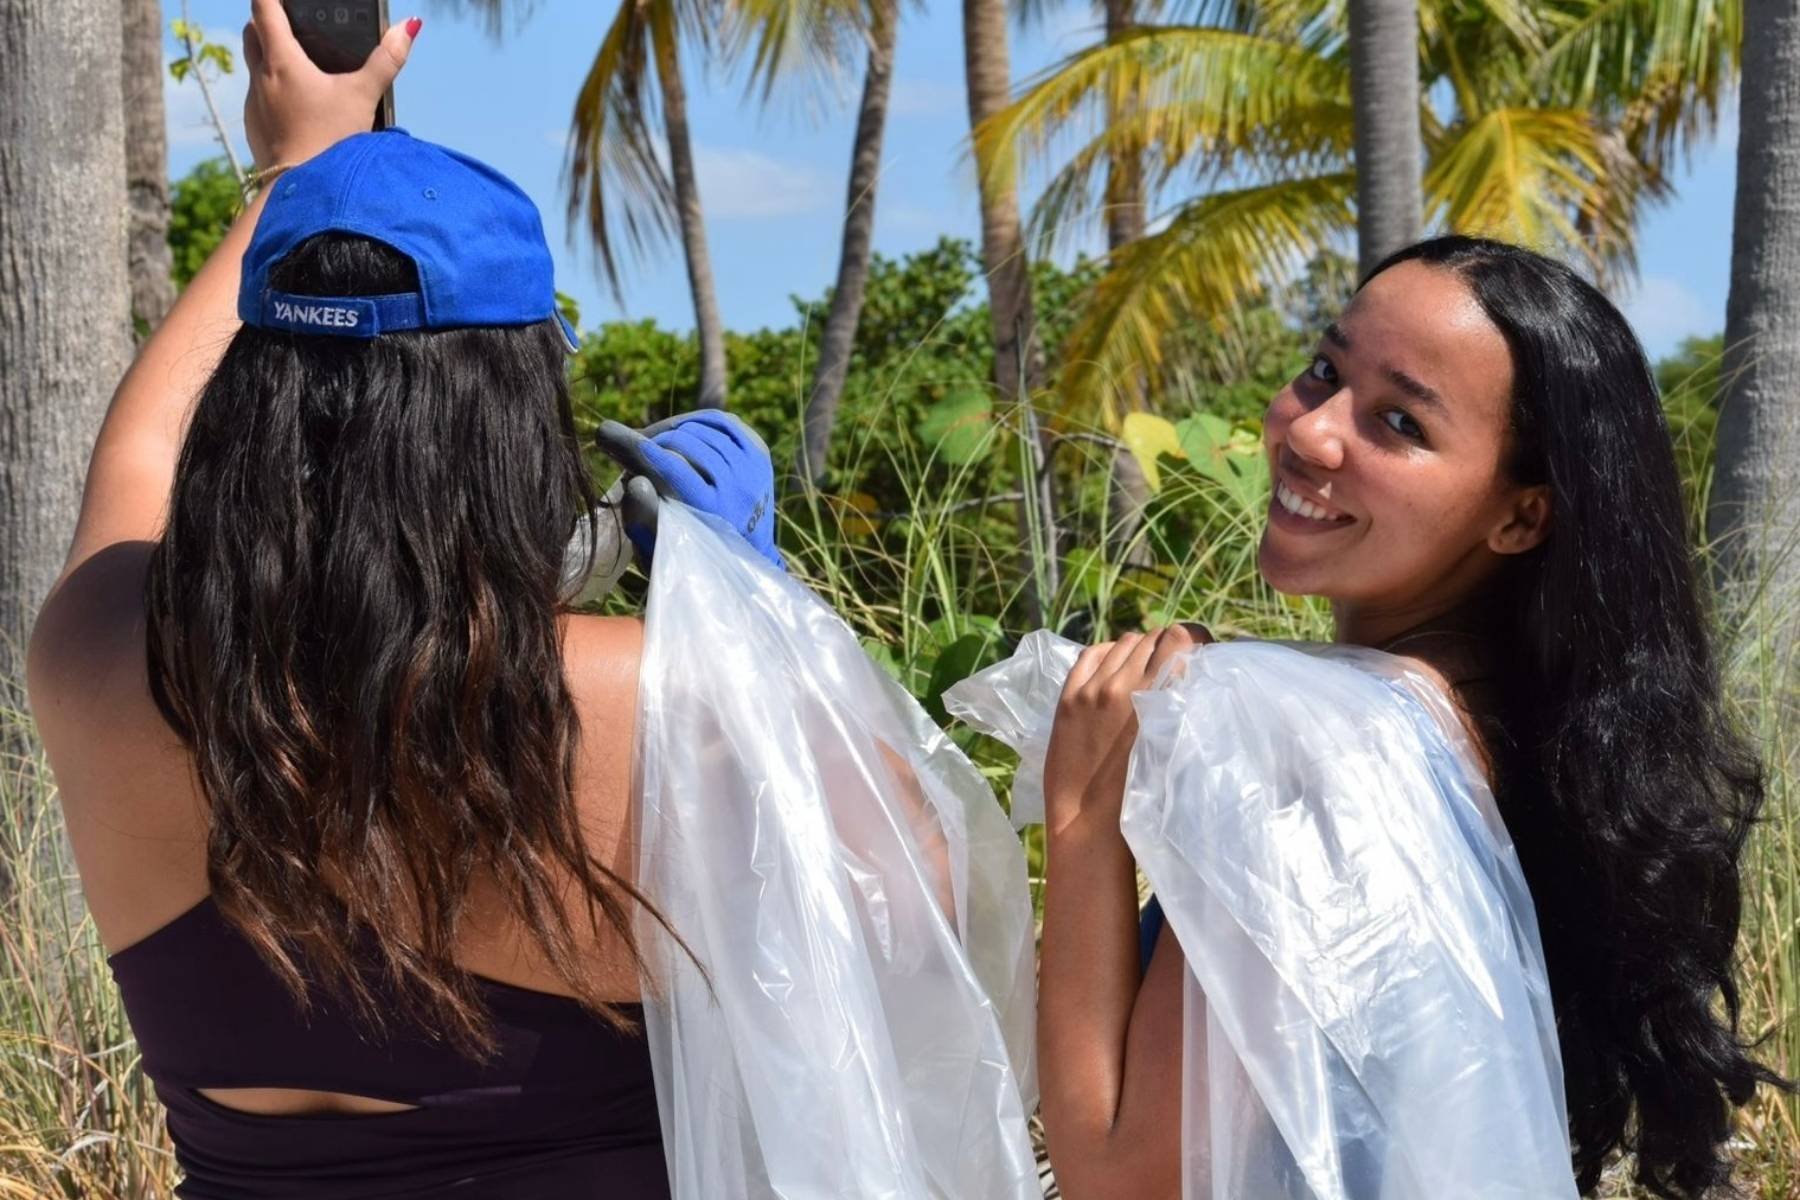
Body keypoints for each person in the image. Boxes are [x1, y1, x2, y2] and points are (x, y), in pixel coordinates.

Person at [24, 5, 774, 1196]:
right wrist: (759, 614)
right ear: (512, 416)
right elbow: (919, 921)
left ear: (250, 404)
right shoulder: (649, 695)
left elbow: (135, 461)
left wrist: (301, 173)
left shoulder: (105, 668)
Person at [1034, 236, 1786, 1198]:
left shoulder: (1317, 749)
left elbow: (1121, 1180)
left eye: (1398, 421)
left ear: (1520, 518)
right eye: (1323, 372)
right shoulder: (1514, 749)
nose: (1310, 433)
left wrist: (1085, 812)